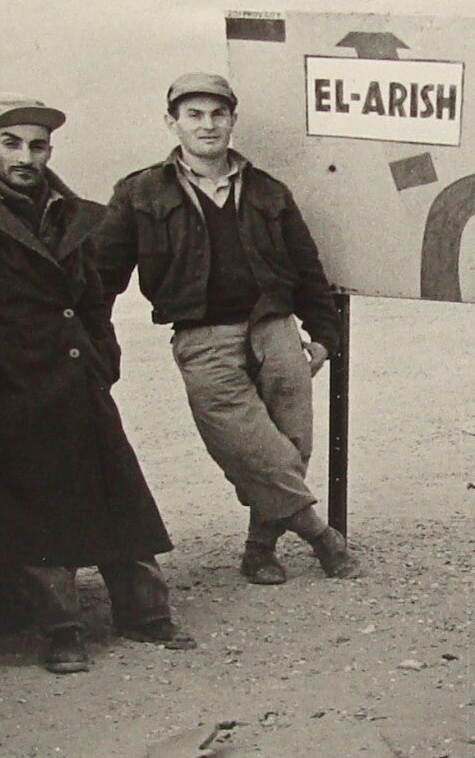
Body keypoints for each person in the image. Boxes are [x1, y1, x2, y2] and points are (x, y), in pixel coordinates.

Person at [0, 94, 187, 674]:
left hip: (76, 380)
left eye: (38, 145)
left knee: (117, 496)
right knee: (35, 515)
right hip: (4, 390)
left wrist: (103, 359)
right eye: (11, 143)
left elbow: (96, 301)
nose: (26, 156)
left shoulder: (78, 214)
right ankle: (62, 630)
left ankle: (145, 613)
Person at [96, 71, 359, 586]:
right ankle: (320, 535)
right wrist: (93, 337)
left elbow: (307, 267)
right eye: (194, 115)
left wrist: (324, 336)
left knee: (291, 444)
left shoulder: (267, 190)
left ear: (233, 121)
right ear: (172, 123)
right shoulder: (139, 192)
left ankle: (259, 549)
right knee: (249, 446)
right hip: (202, 337)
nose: (208, 125)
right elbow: (101, 275)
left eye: (218, 114)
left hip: (276, 327)